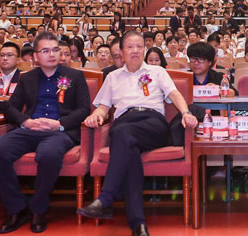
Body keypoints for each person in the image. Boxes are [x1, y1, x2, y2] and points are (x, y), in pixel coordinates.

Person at [77, 32, 197, 236]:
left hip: (153, 124)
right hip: (124, 124)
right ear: (122, 51)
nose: (135, 51)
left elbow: (174, 94)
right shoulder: (113, 77)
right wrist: (94, 116)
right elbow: (103, 108)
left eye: (139, 47)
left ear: (144, 49)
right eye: (130, 47)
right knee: (128, 148)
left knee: (122, 133)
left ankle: (105, 198)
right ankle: (138, 225)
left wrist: (185, 113)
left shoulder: (157, 71)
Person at [0, 32, 91, 234]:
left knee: (48, 154)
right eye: (45, 51)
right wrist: (26, 121)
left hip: (59, 131)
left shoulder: (75, 76)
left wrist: (58, 124)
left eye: (55, 50)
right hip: (30, 129)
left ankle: (38, 209)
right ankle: (16, 208)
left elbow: (84, 109)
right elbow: (10, 107)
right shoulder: (27, 78)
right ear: (35, 56)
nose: (52, 54)